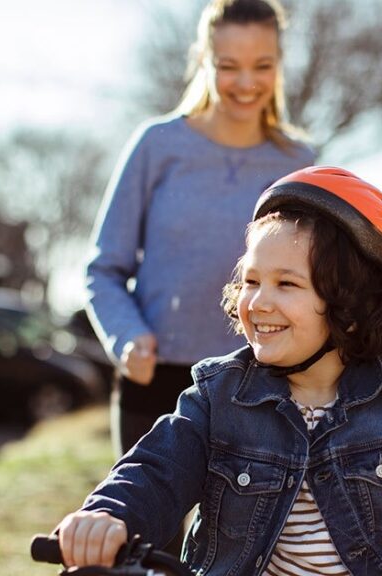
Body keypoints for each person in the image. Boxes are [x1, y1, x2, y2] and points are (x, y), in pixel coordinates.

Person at [57, 166, 382, 575]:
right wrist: (108, 516)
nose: (258, 302)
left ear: (351, 309)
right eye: (251, 281)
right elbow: (154, 471)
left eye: (286, 284)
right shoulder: (218, 397)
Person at [86, 0, 315, 459]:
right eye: (228, 66)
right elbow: (103, 268)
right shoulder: (158, 145)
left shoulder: (300, 162)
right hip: (156, 380)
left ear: (279, 66)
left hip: (259, 382)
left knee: (236, 534)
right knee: (148, 531)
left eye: (262, 65)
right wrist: (127, 337)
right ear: (202, 60)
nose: (246, 83)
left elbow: (315, 276)